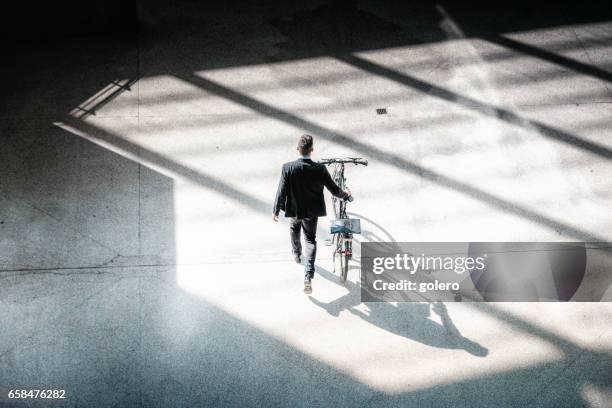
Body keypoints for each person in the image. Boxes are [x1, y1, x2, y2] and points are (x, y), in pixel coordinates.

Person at [273, 134, 352, 294]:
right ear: (312, 150)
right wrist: (347, 196)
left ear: (298, 149)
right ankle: (308, 276)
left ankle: (296, 254)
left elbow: (281, 191)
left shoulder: (287, 167)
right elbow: (333, 189)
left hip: (295, 210)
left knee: (294, 230)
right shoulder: (320, 169)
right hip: (312, 211)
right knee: (310, 240)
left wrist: (276, 210)